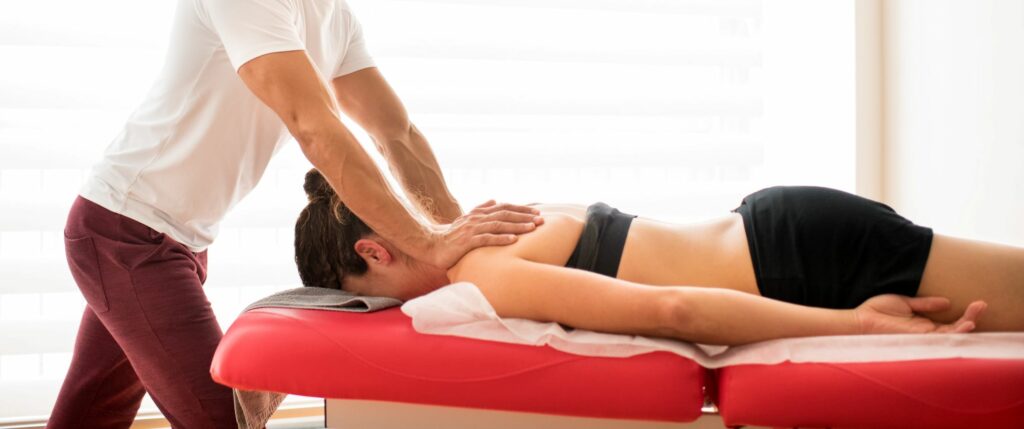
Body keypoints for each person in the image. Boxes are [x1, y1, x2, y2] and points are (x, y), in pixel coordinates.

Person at [50, 1, 541, 428]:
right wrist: (430, 244)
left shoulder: (334, 16)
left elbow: (396, 133)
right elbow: (314, 126)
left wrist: (453, 233)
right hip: (126, 230)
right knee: (223, 419)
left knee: (91, 410)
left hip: (177, 237)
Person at [295, 168, 1024, 346]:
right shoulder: (488, 222)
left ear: (373, 250)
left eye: (373, 292)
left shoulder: (479, 269)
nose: (394, 308)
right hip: (785, 236)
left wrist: (862, 327)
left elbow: (671, 308)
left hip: (798, 255)